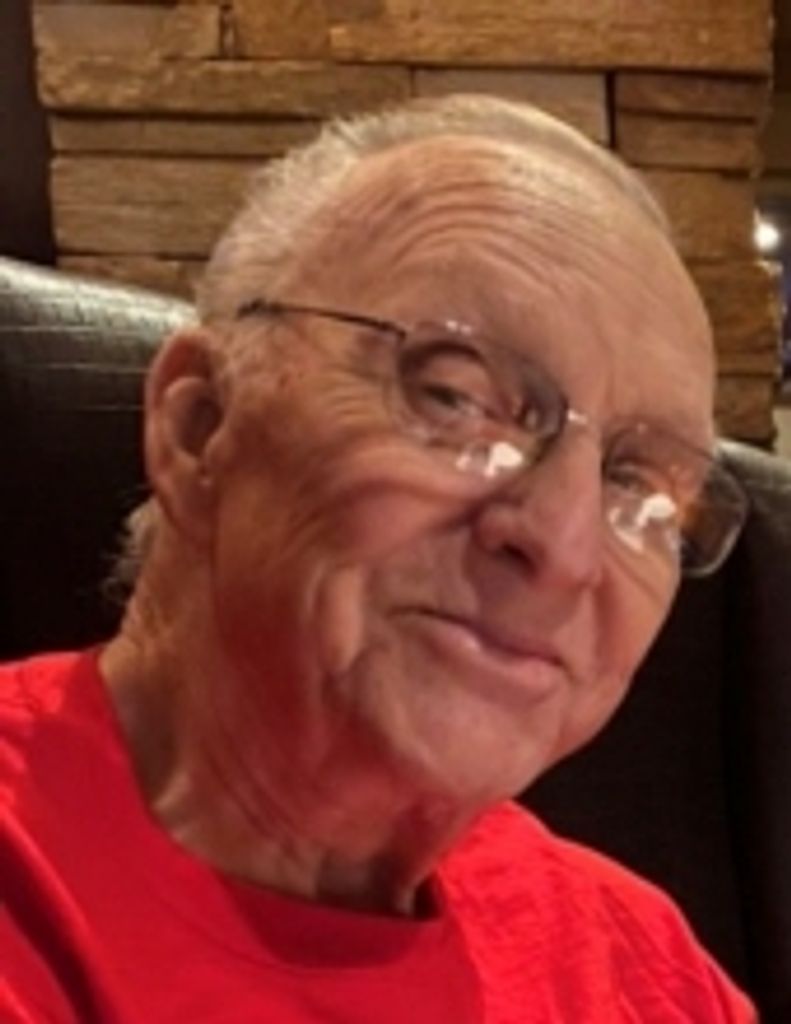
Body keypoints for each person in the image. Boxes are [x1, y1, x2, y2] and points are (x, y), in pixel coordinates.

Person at [1, 95, 755, 1022]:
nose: (564, 547)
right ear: (201, 429)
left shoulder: (643, 967)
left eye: (636, 481)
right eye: (456, 398)